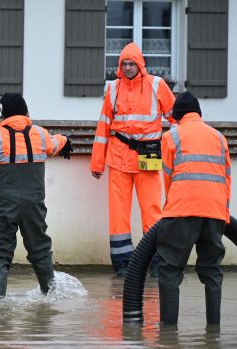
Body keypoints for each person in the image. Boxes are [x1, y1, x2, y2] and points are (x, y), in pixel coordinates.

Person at [0, 93, 72, 298]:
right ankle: (50, 298)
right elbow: (54, 144)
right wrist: (65, 139)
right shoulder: (40, 134)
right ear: (25, 111)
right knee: (40, 249)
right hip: (33, 205)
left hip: (3, 206)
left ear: (3, 114)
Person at [89, 42, 176, 277]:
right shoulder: (113, 89)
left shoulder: (157, 85)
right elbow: (103, 126)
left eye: (131, 64)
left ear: (140, 65)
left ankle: (158, 260)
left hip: (148, 152)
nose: (127, 68)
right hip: (118, 156)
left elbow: (176, 119)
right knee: (118, 212)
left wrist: (176, 152)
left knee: (152, 209)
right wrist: (97, 162)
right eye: (124, 64)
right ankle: (122, 263)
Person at [157, 91, 231, 326]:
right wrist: (223, 213)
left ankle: (168, 335)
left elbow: (168, 178)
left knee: (169, 270)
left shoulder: (172, 136)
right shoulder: (219, 138)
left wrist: (171, 209)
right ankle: (214, 330)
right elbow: (226, 178)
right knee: (212, 271)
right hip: (216, 211)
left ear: (177, 116)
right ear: (199, 114)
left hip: (181, 211)